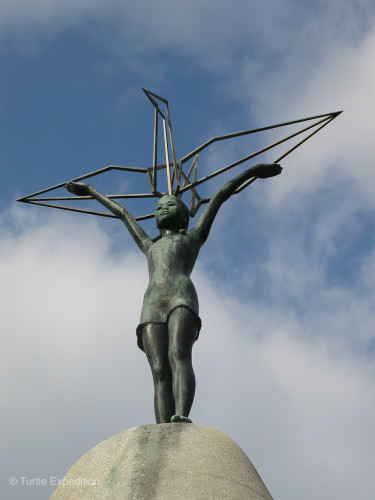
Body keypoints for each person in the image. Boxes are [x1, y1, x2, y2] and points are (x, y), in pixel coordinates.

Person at [65, 162, 282, 424]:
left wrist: (252, 172)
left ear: (184, 215)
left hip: (181, 298)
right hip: (152, 305)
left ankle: (181, 414)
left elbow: (220, 197)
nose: (163, 208)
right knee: (158, 370)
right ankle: (162, 427)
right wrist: (90, 190)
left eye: (170, 205)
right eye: (159, 207)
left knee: (179, 354)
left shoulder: (192, 238)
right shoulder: (148, 244)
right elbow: (123, 213)